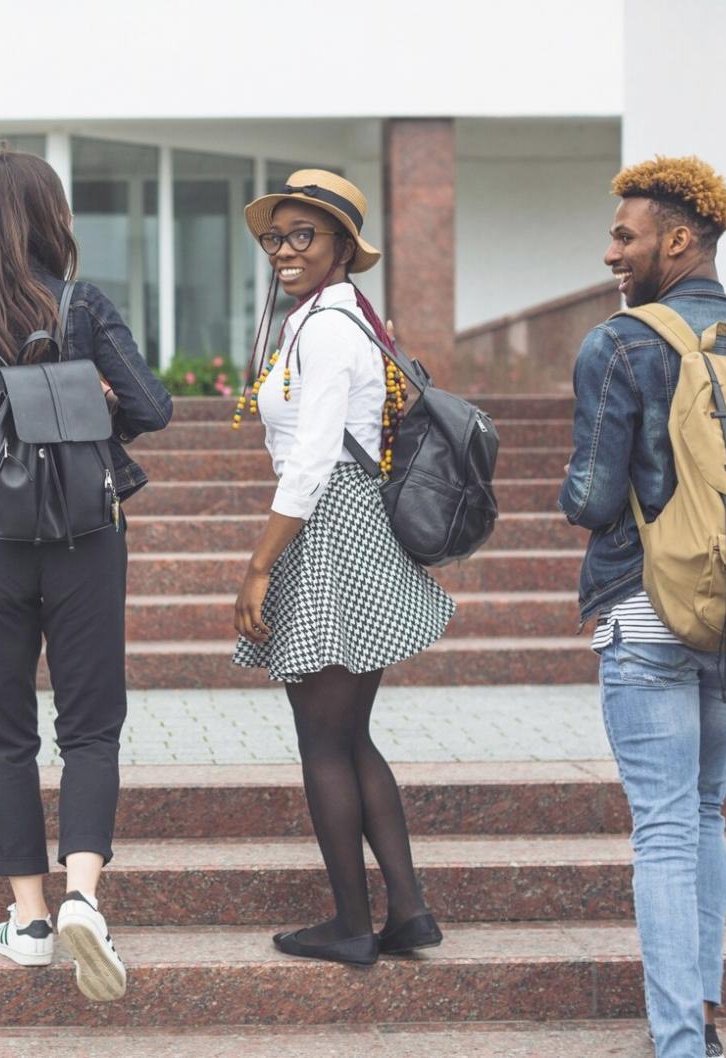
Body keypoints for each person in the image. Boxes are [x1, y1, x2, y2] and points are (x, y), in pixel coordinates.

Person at [0, 148, 173, 1001]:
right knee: (91, 726)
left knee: (5, 731)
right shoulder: (80, 304)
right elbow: (155, 408)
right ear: (49, 218)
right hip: (88, 534)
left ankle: (28, 920)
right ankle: (85, 895)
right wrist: (94, 394)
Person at [560, 156, 726, 1058]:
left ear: (677, 238)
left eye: (625, 235)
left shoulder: (621, 342)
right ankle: (700, 1011)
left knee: (663, 825)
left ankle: (679, 1045)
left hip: (649, 612)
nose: (611, 252)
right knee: (705, 811)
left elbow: (591, 500)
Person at [231, 170, 454, 967]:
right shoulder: (331, 319)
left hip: (327, 529)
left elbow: (314, 458)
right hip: (345, 527)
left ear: (341, 249)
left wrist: (260, 566)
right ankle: (409, 910)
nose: (285, 251)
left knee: (324, 740)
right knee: (350, 735)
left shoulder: (328, 329)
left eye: (303, 237)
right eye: (275, 237)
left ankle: (352, 923)